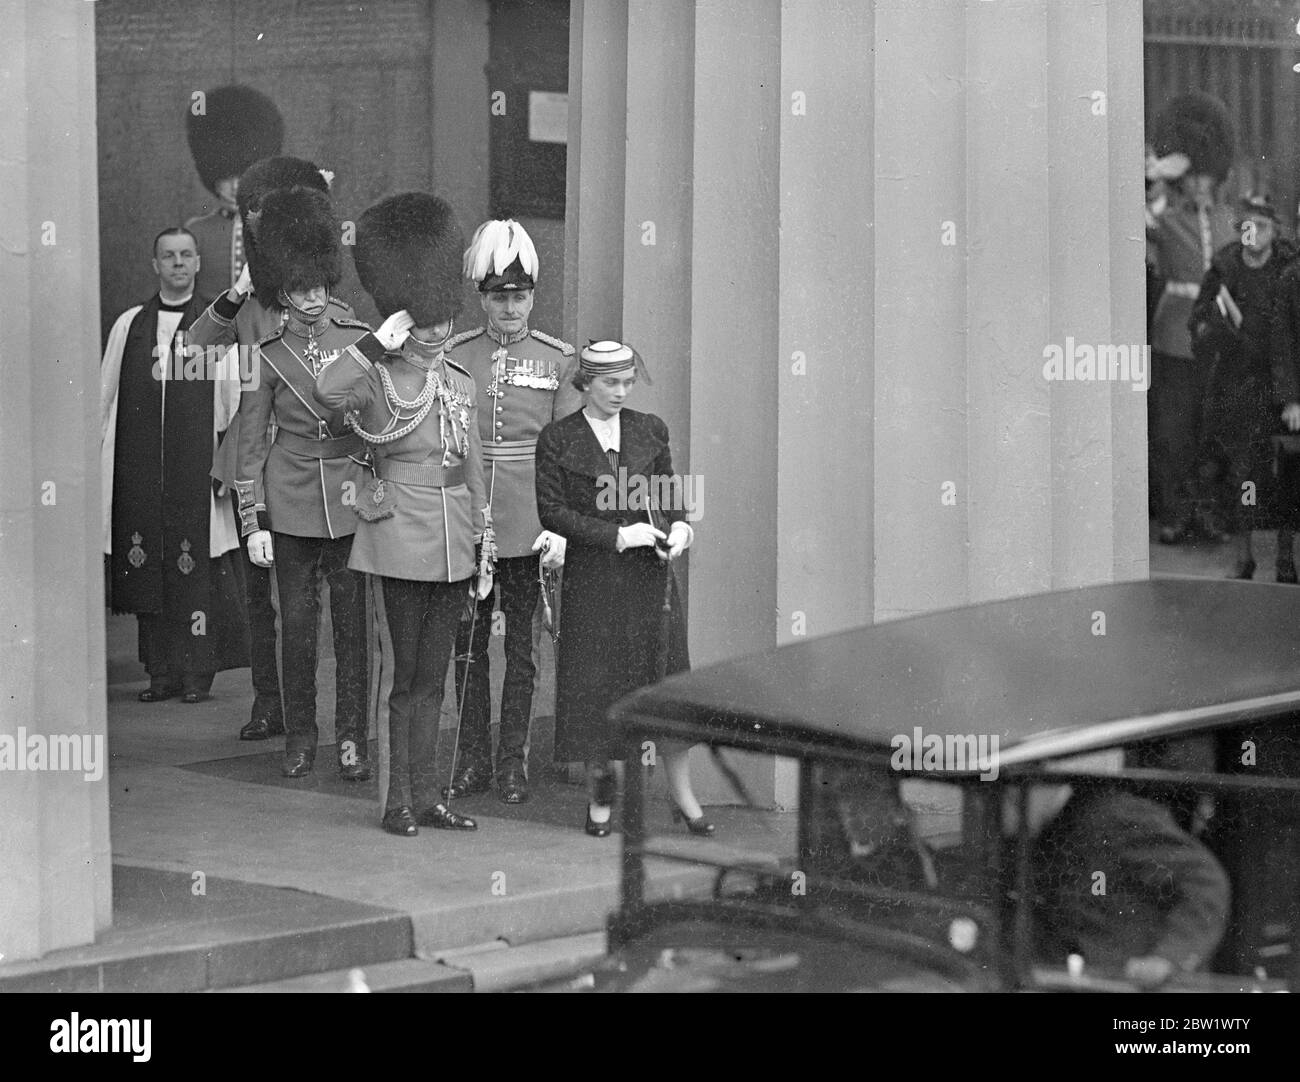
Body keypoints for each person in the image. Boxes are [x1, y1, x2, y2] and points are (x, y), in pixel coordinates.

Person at [315, 191, 483, 836]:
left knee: (433, 681)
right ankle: (396, 801)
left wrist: (479, 546)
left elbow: (471, 471)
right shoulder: (380, 377)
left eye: (443, 320)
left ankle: (430, 795)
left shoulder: (461, 382)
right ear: (404, 320)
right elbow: (325, 393)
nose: (438, 332)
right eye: (426, 321)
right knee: (401, 678)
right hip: (396, 538)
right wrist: (370, 345)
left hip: (451, 541)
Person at [191, 155, 344, 742]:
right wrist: (238, 292)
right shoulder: (250, 304)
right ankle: (268, 703)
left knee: (305, 604)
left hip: (310, 466)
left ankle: (305, 712)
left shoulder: (326, 306)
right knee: (261, 598)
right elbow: (193, 352)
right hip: (253, 462)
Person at [534, 340, 710, 838]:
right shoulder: (558, 439)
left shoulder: (648, 430)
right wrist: (614, 535)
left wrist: (678, 529)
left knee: (668, 686)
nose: (621, 392)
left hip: (649, 581)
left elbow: (668, 495)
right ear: (585, 384)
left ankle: (682, 795)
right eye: (610, 382)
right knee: (596, 690)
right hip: (594, 581)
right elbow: (553, 513)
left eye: (628, 382)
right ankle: (600, 798)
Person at [228, 185, 372, 781]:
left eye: (320, 286)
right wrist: (252, 518)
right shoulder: (265, 355)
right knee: (299, 631)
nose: (313, 299)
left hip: (348, 499)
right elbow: (251, 442)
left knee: (353, 631)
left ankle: (352, 740)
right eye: (300, 289)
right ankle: (301, 736)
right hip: (288, 502)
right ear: (282, 291)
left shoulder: (360, 342)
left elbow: (376, 427)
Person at [444, 219, 579, 804]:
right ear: (482, 297)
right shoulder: (455, 355)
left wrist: (559, 524)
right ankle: (471, 757)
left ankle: (511, 762)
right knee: (468, 646)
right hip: (469, 518)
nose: (511, 308)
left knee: (520, 649)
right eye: (500, 297)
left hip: (529, 522)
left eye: (520, 296)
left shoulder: (558, 360)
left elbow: (567, 452)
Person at [101, 227, 248, 702]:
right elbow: (107, 400)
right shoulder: (130, 325)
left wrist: (229, 463)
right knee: (148, 563)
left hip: (196, 470)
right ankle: (159, 672)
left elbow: (233, 398)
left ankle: (195, 673)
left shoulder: (217, 324)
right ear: (155, 265)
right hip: (143, 473)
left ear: (199, 263)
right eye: (168, 256)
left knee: (195, 567)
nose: (178, 263)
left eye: (186, 255)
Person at [1188, 194, 1297, 580]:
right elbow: (1198, 322)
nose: (1253, 233)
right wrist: (1216, 327)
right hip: (1238, 384)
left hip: (1281, 384)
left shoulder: (1289, 266)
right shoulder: (1225, 267)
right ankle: (1244, 554)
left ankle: (1286, 555)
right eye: (1246, 226)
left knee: (1287, 473)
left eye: (1262, 225)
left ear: (1274, 230)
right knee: (1243, 472)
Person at [1146, 92, 1238, 544]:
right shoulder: (1164, 218)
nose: (1200, 185)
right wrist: (1163, 168)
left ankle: (1208, 513)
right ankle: (1175, 514)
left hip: (1216, 338)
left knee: (1213, 431)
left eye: (1205, 176)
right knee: (1173, 431)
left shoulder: (1230, 220)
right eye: (1194, 176)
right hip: (1174, 336)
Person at [1029, 786, 1230, 988]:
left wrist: (1168, 957)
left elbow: (1204, 880)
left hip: (1139, 986)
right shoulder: (1053, 829)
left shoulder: (1110, 817)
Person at [184, 84, 284, 302]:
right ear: (214, 180)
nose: (235, 187)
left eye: (242, 177)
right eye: (226, 178)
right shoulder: (196, 231)